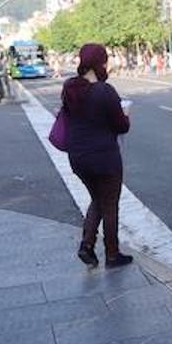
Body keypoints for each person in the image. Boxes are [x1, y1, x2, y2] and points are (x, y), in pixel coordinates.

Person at [61, 43, 133, 268]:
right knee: (110, 204)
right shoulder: (105, 90)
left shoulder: (69, 88)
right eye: (105, 61)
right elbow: (121, 126)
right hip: (104, 157)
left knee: (97, 200)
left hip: (78, 157)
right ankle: (112, 255)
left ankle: (87, 246)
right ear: (99, 63)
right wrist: (125, 114)